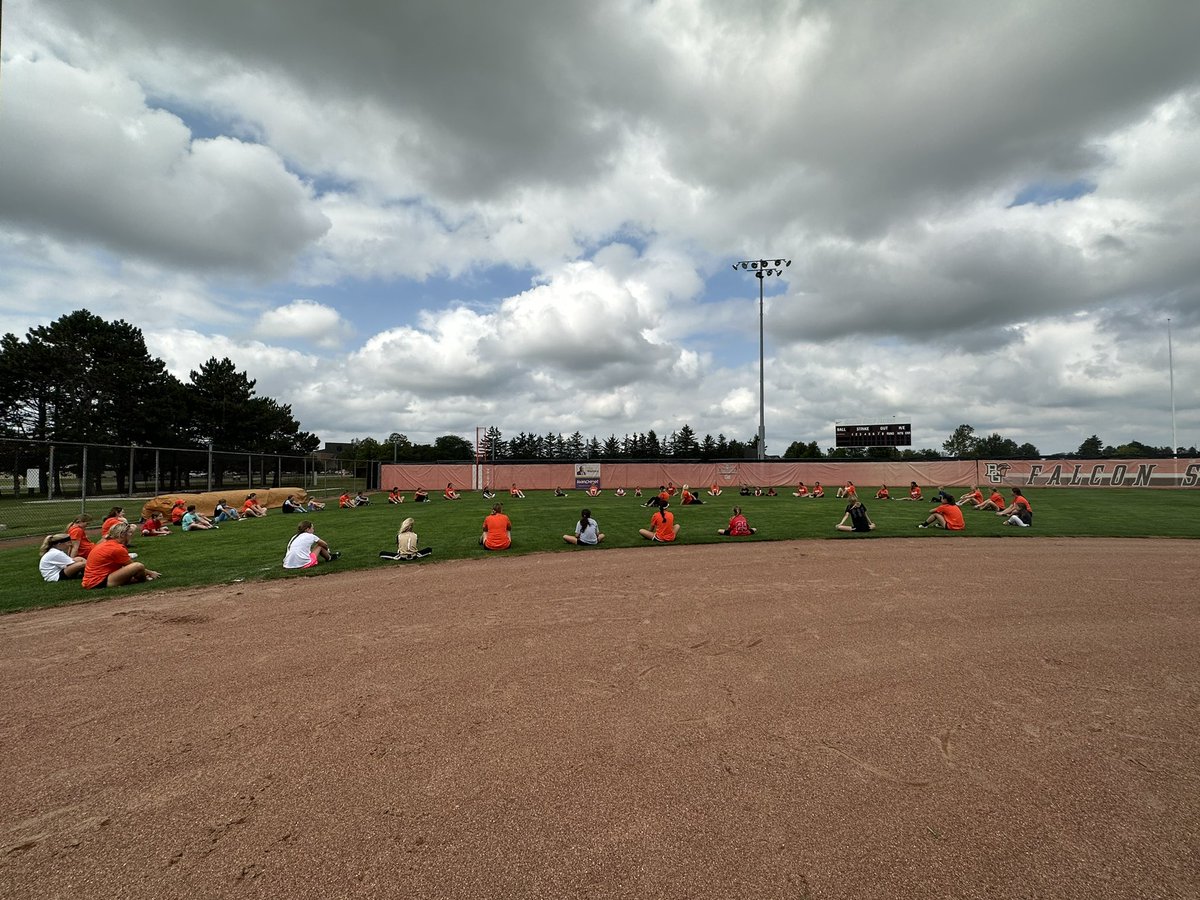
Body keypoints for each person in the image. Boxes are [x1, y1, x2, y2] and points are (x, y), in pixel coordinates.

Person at [82, 523, 160, 589]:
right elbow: (132, 565)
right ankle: (144, 579)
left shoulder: (107, 543)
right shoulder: (117, 548)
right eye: (129, 533)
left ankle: (139, 579)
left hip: (92, 580)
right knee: (138, 566)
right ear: (122, 535)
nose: (131, 535)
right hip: (99, 581)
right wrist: (151, 573)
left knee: (134, 568)